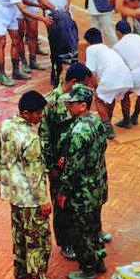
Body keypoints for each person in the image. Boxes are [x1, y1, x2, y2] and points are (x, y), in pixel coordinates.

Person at [0, 90, 61, 279]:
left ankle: (21, 270)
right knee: (37, 240)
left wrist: (2, 181)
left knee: (18, 234)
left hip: (12, 193)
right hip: (30, 198)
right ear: (26, 113)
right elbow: (35, 175)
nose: (41, 116)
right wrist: (44, 201)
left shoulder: (6, 126)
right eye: (38, 113)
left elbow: (0, 157)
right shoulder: (31, 139)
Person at [38, 63, 93, 261]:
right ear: (75, 82)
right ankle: (65, 242)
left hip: (76, 161)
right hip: (59, 165)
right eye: (85, 85)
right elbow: (44, 137)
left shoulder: (79, 100)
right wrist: (51, 166)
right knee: (62, 205)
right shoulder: (50, 103)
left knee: (80, 198)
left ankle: (85, 235)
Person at [56, 83, 109, 279]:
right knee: (95, 226)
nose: (68, 107)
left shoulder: (79, 131)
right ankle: (99, 260)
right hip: (98, 185)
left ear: (83, 106)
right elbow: (101, 148)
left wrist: (63, 192)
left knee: (80, 230)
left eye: (72, 104)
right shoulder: (96, 122)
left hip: (82, 191)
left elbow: (73, 168)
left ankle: (87, 267)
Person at [84, 28, 133, 139]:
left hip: (111, 79)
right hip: (127, 78)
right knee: (120, 95)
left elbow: (89, 72)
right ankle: (126, 119)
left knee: (98, 98)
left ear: (88, 41)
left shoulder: (91, 49)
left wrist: (95, 88)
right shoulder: (108, 49)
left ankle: (107, 128)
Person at [20, 0, 54, 72]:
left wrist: (51, 8)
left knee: (33, 34)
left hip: (33, 9)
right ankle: (23, 61)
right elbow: (22, 1)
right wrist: (40, 6)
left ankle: (33, 60)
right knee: (19, 37)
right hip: (19, 10)